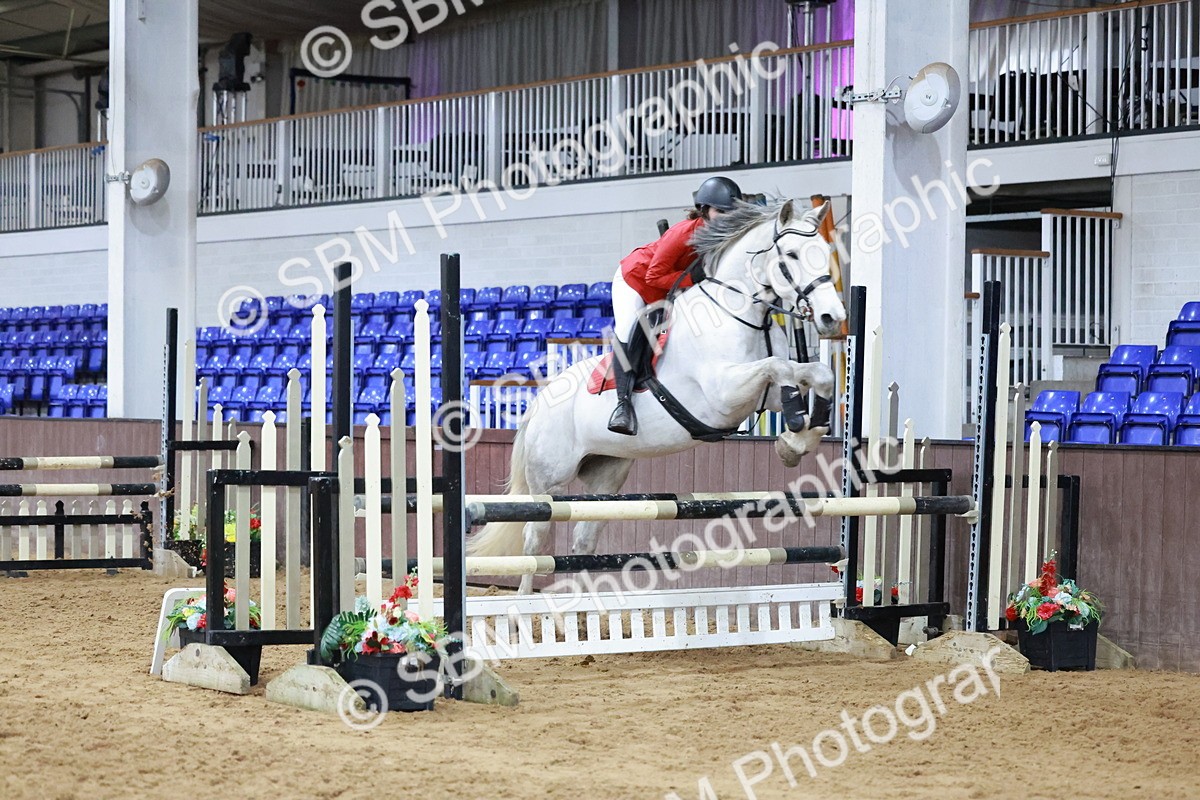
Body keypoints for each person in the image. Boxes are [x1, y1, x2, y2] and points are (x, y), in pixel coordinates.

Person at [606, 175, 743, 436]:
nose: (726, 218)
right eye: (720, 212)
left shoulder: (723, 235)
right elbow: (652, 277)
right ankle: (622, 406)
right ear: (704, 211)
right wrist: (694, 278)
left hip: (670, 288)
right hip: (634, 280)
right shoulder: (682, 234)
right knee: (627, 330)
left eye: (730, 212)